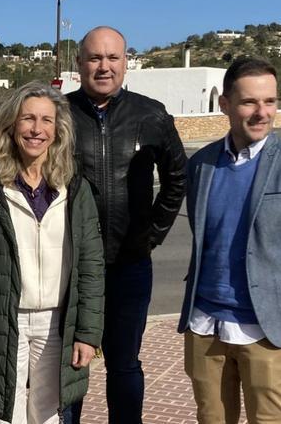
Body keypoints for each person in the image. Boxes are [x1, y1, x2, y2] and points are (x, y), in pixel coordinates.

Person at [178, 56, 281, 424]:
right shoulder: (202, 164)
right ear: (225, 104)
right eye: (249, 101)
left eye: (270, 101)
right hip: (206, 325)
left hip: (269, 331)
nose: (262, 112)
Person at [0, 81, 104, 424]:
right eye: (28, 119)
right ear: (12, 125)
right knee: (6, 415)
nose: (37, 129)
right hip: (4, 318)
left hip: (57, 321)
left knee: (49, 413)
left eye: (46, 121)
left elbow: (92, 266)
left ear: (58, 129)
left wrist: (87, 333)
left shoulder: (75, 186)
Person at [66, 26, 187, 423]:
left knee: (124, 366)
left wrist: (151, 234)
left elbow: (177, 177)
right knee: (70, 367)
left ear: (125, 62)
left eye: (112, 58)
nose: (104, 67)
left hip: (130, 267)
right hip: (73, 269)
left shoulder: (150, 114)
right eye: (95, 58)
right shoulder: (60, 115)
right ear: (80, 63)